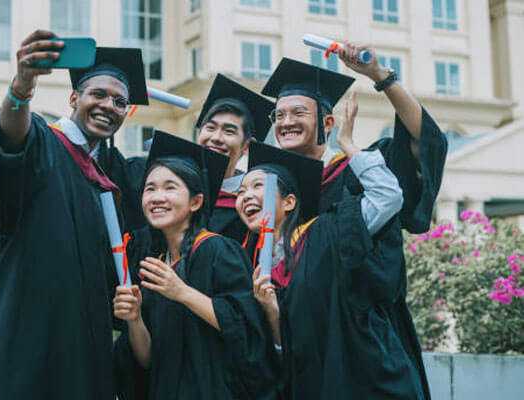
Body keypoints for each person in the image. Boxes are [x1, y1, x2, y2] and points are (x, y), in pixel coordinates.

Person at [0, 29, 149, 399]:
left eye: (119, 102)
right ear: (73, 97)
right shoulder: (42, 142)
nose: (109, 106)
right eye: (98, 94)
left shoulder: (110, 171)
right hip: (21, 348)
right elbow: (12, 138)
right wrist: (21, 87)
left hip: (81, 354)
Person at [261, 52, 447, 398]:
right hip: (306, 349)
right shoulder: (279, 195)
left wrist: (381, 76)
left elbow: (425, 143)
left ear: (328, 124)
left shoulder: (358, 173)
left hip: (364, 343)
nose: (286, 121)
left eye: (299, 113)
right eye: (280, 114)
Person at [242, 95, 421, 398]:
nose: (248, 196)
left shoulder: (329, 229)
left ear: (289, 200)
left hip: (360, 366)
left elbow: (388, 198)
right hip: (312, 376)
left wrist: (349, 144)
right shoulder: (265, 258)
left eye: (260, 187)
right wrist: (273, 313)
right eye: (243, 189)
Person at [113, 131, 279, 399]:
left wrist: (182, 292)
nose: (156, 197)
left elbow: (247, 331)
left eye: (170, 187)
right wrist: (134, 320)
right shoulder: (154, 265)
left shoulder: (219, 250)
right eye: (150, 188)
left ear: (196, 201)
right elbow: (148, 361)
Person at [194, 74, 275, 243]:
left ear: (247, 146)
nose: (216, 137)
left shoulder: (252, 204)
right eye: (210, 127)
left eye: (229, 131)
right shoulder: (177, 189)